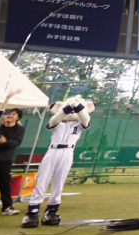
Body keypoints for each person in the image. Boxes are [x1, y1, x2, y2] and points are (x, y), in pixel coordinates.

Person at [21, 96, 94, 228]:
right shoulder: (58, 122)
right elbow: (53, 120)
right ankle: (32, 213)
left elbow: (85, 119)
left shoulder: (79, 125)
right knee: (42, 181)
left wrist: (77, 107)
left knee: (59, 183)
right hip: (53, 151)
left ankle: (51, 212)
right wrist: (66, 108)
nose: (72, 113)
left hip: (68, 152)